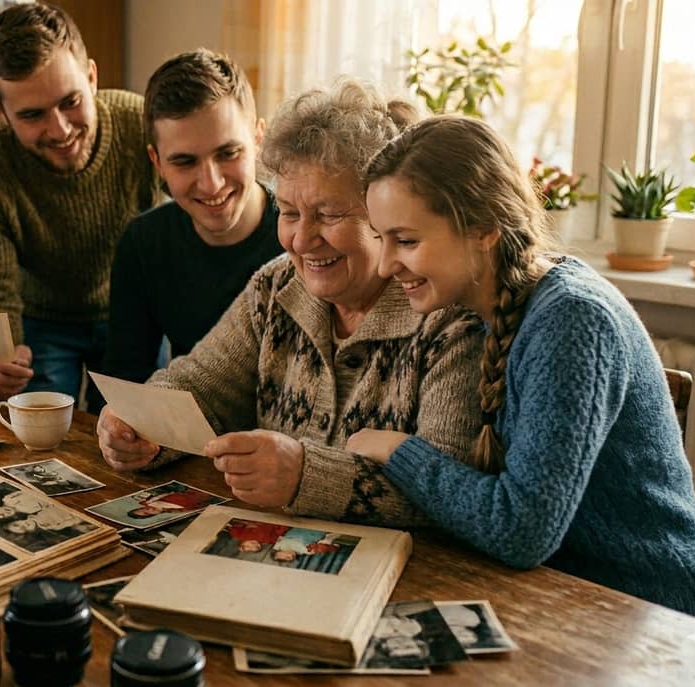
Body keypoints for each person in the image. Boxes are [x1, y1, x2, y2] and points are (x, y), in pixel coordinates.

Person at [348, 115, 695, 625]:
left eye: (406, 241)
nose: (384, 265)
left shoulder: (572, 321)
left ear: (484, 229)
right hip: (574, 599)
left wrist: (399, 451)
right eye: (381, 238)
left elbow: (520, 530)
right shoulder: (482, 305)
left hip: (662, 614)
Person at [96, 79, 486, 526]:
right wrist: (141, 424)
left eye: (329, 214)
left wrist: (306, 475)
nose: (301, 241)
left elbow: (450, 491)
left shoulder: (446, 318)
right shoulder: (276, 286)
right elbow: (200, 385)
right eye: (289, 212)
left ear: (385, 214)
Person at [0, 3, 161, 403]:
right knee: (35, 427)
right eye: (32, 115)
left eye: (70, 101)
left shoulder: (140, 125)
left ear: (92, 77)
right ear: (0, 110)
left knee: (141, 427)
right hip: (40, 320)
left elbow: (196, 215)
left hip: (132, 308)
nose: (60, 129)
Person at [100, 49, 282, 391]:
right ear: (157, 162)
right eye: (185, 162)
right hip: (186, 420)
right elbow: (126, 379)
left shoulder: (300, 239)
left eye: (228, 153)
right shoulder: (144, 244)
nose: (211, 184)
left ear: (259, 139)